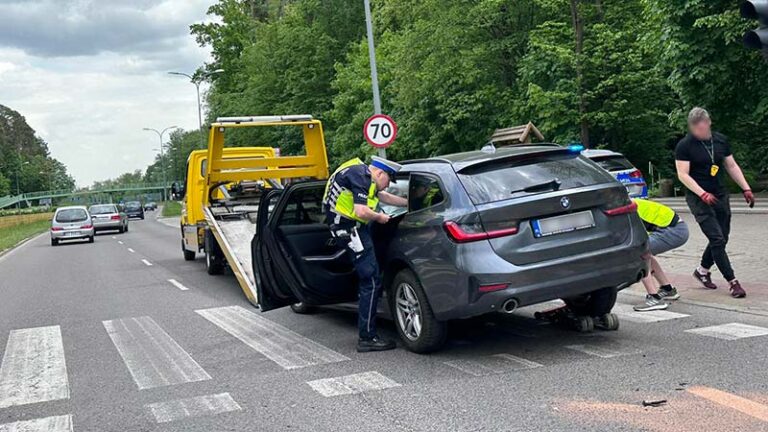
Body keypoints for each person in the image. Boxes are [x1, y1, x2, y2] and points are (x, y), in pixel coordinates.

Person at [323, 155, 407, 352]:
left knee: (368, 278)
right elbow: (361, 211)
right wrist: (379, 217)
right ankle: (367, 337)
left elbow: (381, 196)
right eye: (389, 180)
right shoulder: (361, 176)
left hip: (346, 228)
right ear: (380, 173)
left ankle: (368, 330)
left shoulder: (358, 172)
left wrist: (408, 202)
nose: (387, 186)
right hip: (351, 230)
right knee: (370, 281)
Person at [675, 107, 755, 298]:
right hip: (698, 197)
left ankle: (702, 271)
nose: (699, 132)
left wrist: (746, 188)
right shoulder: (685, 145)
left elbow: (731, 165)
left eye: (702, 128)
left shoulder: (720, 140)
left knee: (722, 237)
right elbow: (683, 175)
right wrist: (702, 194)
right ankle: (733, 282)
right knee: (716, 239)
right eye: (695, 129)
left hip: (719, 193)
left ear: (708, 123)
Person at [632, 199, 689, 312]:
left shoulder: (626, 210)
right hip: (677, 227)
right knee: (646, 253)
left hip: (673, 230)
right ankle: (667, 289)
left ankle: (654, 298)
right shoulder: (627, 202)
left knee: (639, 253)